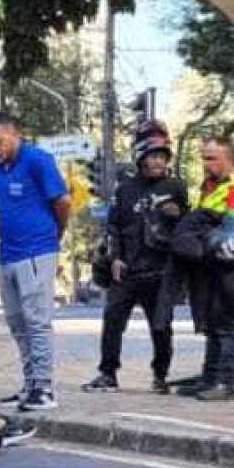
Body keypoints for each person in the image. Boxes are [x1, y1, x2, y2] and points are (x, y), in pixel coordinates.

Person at [0, 111, 71, 412]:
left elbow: (62, 202)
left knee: (37, 322)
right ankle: (30, 383)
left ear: (14, 133)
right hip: (8, 254)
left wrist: (53, 236)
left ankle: (44, 388)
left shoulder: (37, 160)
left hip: (36, 252)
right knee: (17, 323)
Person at [84, 133, 187, 395]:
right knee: (112, 321)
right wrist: (116, 256)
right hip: (127, 270)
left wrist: (178, 215)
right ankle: (108, 373)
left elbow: (187, 226)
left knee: (161, 326)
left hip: (160, 271)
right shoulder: (125, 189)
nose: (157, 162)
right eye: (153, 157)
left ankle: (160, 375)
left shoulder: (175, 187)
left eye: (162, 157)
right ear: (140, 158)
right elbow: (114, 226)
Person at [172, 137, 234, 402]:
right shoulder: (208, 188)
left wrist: (198, 237)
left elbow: (232, 232)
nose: (205, 163)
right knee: (211, 323)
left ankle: (225, 383)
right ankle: (209, 379)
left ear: (228, 160)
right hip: (208, 266)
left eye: (211, 158)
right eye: (204, 157)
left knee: (226, 325)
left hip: (228, 267)